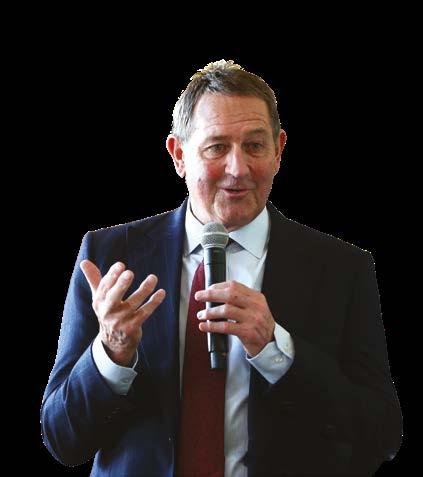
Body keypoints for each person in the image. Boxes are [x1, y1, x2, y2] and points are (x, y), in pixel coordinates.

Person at [41, 60, 402, 476]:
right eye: (216, 147)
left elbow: (381, 435)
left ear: (279, 150)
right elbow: (62, 440)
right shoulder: (109, 255)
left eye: (255, 146)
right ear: (179, 155)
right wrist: (111, 353)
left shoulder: (342, 267)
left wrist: (277, 351)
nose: (238, 169)